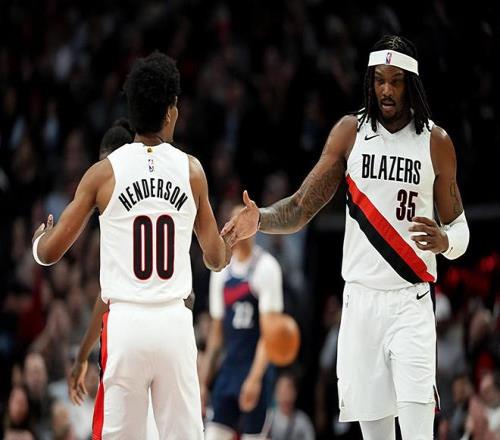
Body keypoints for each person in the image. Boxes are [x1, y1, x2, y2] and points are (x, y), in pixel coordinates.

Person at [222, 34, 470, 439]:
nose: (386, 90)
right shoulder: (349, 133)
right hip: (360, 306)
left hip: (410, 304)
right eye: (379, 80)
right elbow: (301, 206)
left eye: (395, 81)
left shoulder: (435, 142)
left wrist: (445, 241)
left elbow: (461, 231)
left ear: (411, 83)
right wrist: (260, 220)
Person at [32, 52, 232, 439]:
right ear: (172, 112)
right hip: (173, 322)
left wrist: (39, 239)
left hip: (125, 325)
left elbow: (50, 253)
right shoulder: (192, 170)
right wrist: (230, 239)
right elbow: (215, 258)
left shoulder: (103, 173)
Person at [199, 205, 284, 440]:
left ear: (254, 228)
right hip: (229, 369)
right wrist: (203, 382)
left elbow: (269, 335)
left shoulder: (267, 267)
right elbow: (216, 334)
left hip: (257, 369)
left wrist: (254, 379)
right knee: (212, 434)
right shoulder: (220, 271)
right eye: (236, 223)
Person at [270, 372, 315, 440]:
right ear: (275, 394)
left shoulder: (303, 421)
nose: (285, 397)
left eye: (288, 391)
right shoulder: (268, 419)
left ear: (295, 393)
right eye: (281, 392)